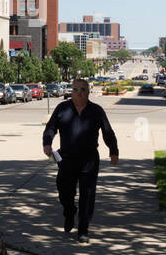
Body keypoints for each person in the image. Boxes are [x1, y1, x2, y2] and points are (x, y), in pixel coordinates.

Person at [42, 78, 119, 244]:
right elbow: (50, 128)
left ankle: (83, 230)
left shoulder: (96, 110)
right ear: (71, 91)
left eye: (83, 89)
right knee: (64, 191)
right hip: (65, 158)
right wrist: (47, 143)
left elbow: (108, 132)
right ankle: (69, 213)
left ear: (88, 92)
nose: (79, 93)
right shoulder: (62, 108)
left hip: (89, 159)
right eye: (76, 89)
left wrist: (113, 151)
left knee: (88, 195)